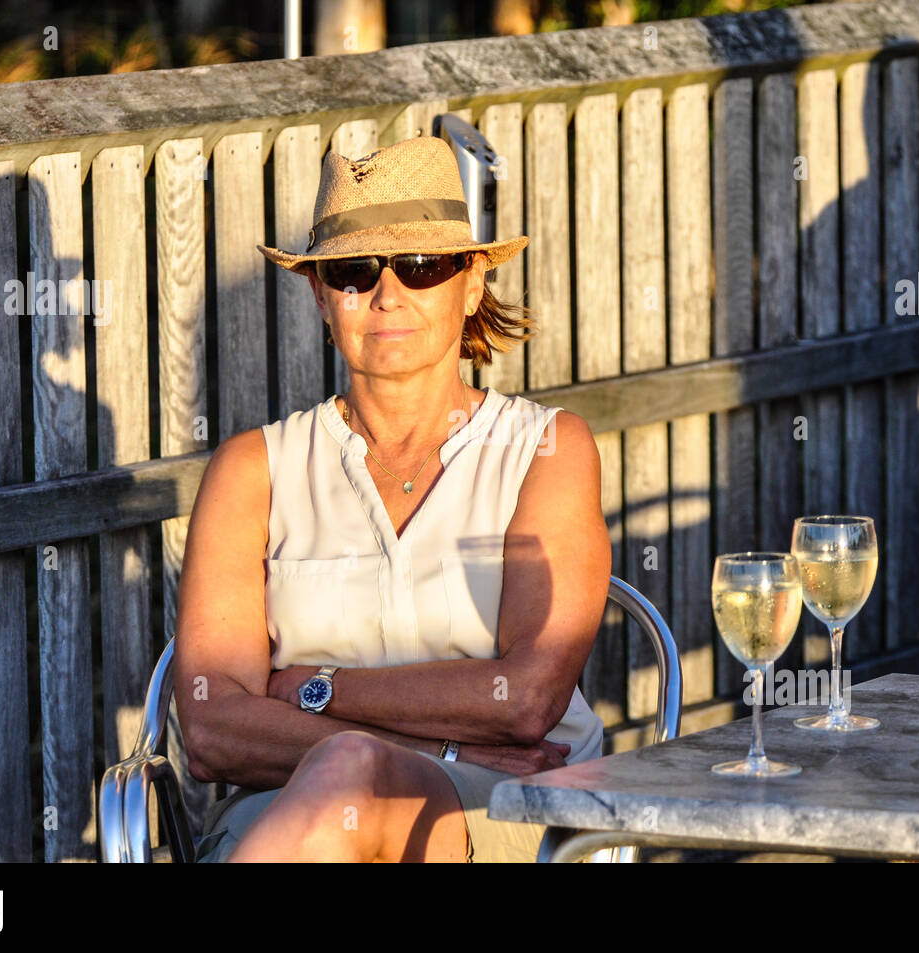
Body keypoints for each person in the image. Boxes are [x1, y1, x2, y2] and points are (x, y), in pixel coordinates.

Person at [175, 135, 610, 862]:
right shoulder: (252, 470)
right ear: (320, 293)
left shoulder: (547, 449)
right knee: (349, 773)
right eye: (353, 269)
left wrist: (311, 686)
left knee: (351, 771)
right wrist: (428, 739)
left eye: (421, 265)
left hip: (502, 804)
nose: (387, 294)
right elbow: (214, 730)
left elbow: (529, 697)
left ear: (471, 283)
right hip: (290, 806)